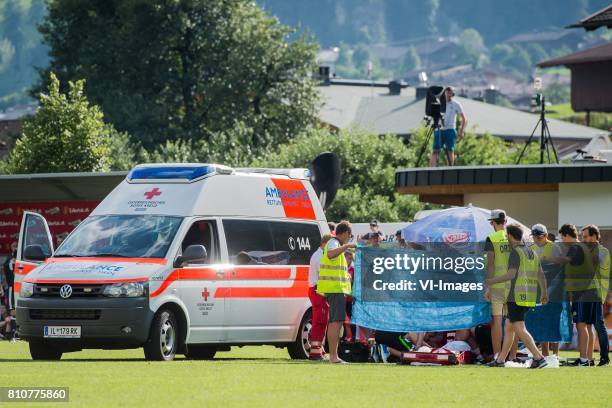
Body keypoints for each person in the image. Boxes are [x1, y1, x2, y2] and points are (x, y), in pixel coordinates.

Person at [486, 224, 549, 368]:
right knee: (509, 327)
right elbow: (541, 274)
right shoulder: (532, 252)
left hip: (515, 296)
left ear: (509, 236)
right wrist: (544, 293)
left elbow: (511, 275)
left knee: (519, 328)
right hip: (528, 296)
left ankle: (539, 357)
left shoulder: (515, 252)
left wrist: (492, 281)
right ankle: (501, 360)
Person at [552, 224, 599, 366]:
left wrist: (547, 259)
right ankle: (588, 359)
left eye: (562, 238)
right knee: (588, 326)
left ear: (566, 236)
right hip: (591, 290)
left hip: (584, 291)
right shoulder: (583, 248)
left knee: (581, 325)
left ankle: (584, 359)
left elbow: (565, 261)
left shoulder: (575, 247)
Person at [316, 221, 356, 363]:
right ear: (345, 233)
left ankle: (334, 356)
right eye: (349, 237)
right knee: (336, 322)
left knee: (336, 322)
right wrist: (346, 246)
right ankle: (333, 357)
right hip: (335, 289)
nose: (349, 239)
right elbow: (331, 255)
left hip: (335, 289)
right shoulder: (334, 242)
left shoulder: (335, 243)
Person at [530, 223, 562, 356]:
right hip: (537, 289)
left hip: (554, 289)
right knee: (541, 320)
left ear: (546, 236)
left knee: (554, 321)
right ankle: (545, 353)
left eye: (539, 237)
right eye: (535, 237)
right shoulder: (530, 248)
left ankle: (555, 354)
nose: (537, 240)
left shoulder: (554, 247)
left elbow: (561, 269)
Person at [580, 225, 609, 366]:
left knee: (598, 325)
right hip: (588, 293)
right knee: (589, 325)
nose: (582, 239)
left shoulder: (602, 251)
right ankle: (589, 358)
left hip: (596, 293)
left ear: (594, 236)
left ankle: (604, 358)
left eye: (585, 236)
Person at [484, 209, 511, 360]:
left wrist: (488, 286)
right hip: (513, 285)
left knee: (497, 322)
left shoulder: (491, 238)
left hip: (497, 285)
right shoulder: (514, 236)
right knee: (513, 323)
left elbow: (491, 265)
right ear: (505, 222)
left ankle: (497, 356)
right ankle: (511, 357)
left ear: (492, 223)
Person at [308, 234, 333, 360]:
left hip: (319, 289)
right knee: (320, 319)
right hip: (318, 289)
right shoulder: (319, 256)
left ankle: (319, 348)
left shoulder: (319, 254)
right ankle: (315, 350)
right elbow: (323, 273)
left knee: (322, 319)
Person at [429, 86, 467, 167]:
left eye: (451, 92)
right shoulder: (438, 103)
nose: (449, 94)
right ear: (444, 93)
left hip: (450, 129)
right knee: (435, 150)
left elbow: (464, 118)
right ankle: (432, 169)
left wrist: (462, 131)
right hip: (439, 129)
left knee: (450, 150)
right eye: (447, 92)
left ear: (453, 94)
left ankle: (449, 169)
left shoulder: (456, 104)